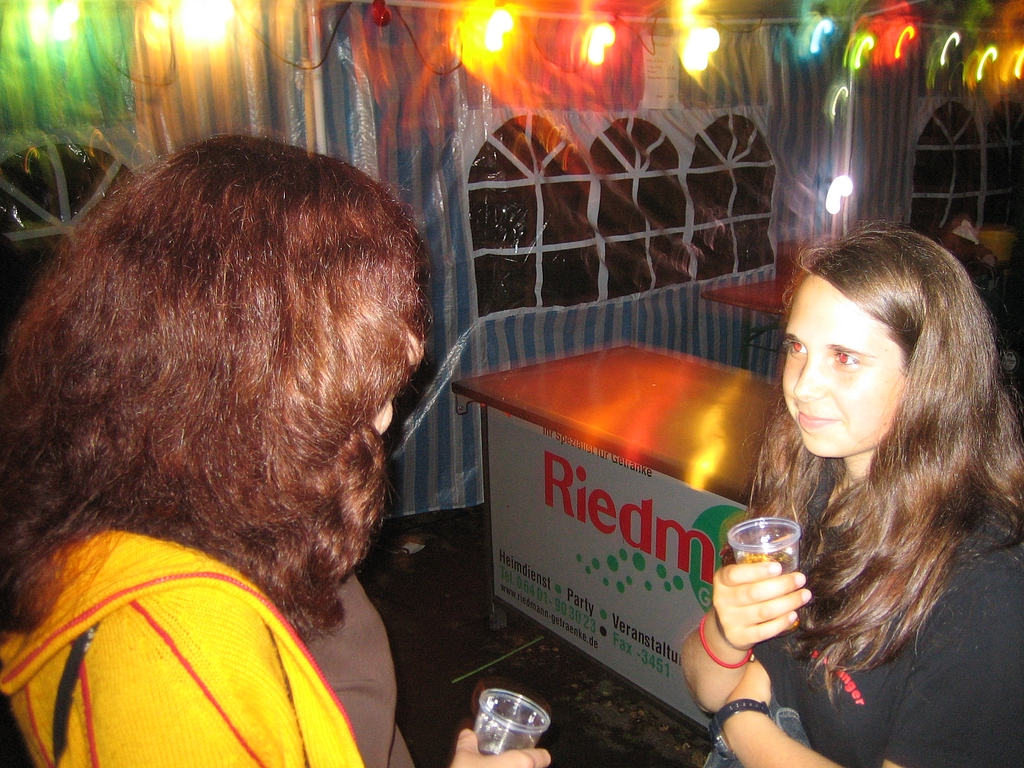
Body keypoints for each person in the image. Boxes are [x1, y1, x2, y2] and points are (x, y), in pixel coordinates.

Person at [0, 135, 549, 768]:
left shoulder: (233, 521)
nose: (384, 417)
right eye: (355, 374)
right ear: (237, 378)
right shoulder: (168, 655)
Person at [682, 221, 1024, 768]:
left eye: (844, 357)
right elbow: (706, 684)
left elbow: (730, 703)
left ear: (932, 375)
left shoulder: (985, 584)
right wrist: (726, 632)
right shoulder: (810, 483)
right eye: (797, 347)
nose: (802, 385)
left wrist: (741, 720)